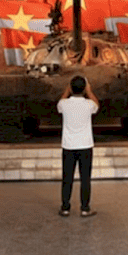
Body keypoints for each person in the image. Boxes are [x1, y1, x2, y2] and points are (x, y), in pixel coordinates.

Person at [57, 75, 99, 217]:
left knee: (67, 178)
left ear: (71, 88)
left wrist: (67, 90)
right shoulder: (89, 104)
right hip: (85, 146)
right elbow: (96, 104)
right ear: (84, 89)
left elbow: (61, 102)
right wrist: (89, 91)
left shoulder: (64, 104)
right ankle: (85, 208)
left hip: (68, 146)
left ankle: (65, 207)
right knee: (85, 179)